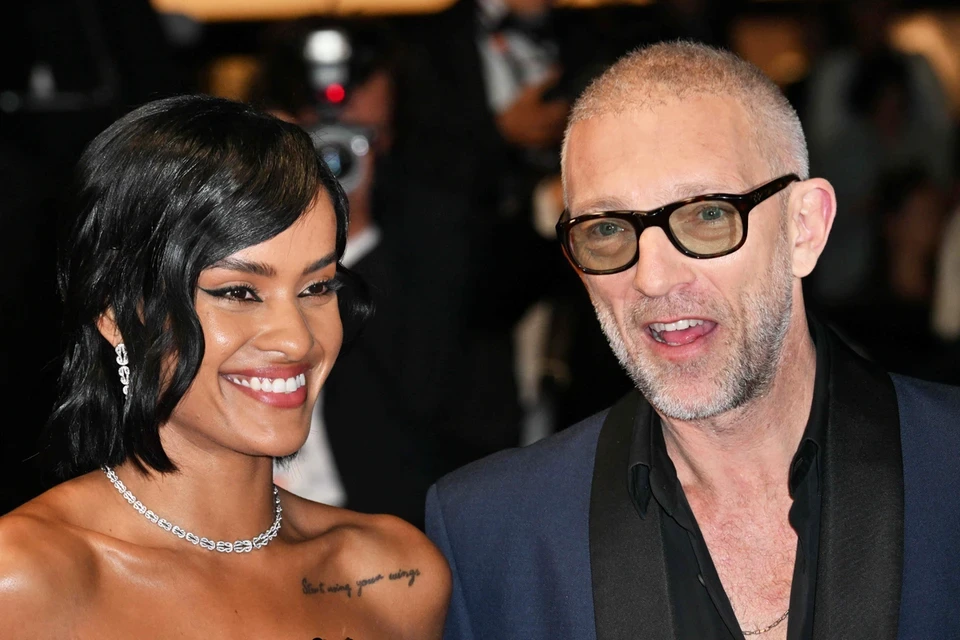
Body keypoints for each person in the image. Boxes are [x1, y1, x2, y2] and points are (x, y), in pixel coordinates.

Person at [425, 41, 960, 639]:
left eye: (708, 215)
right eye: (607, 228)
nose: (653, 278)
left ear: (804, 228)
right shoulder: (490, 535)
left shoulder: (947, 463)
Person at [0, 94, 450, 639]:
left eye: (316, 287)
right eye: (239, 292)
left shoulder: (394, 576)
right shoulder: (25, 580)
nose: (296, 339)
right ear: (116, 313)